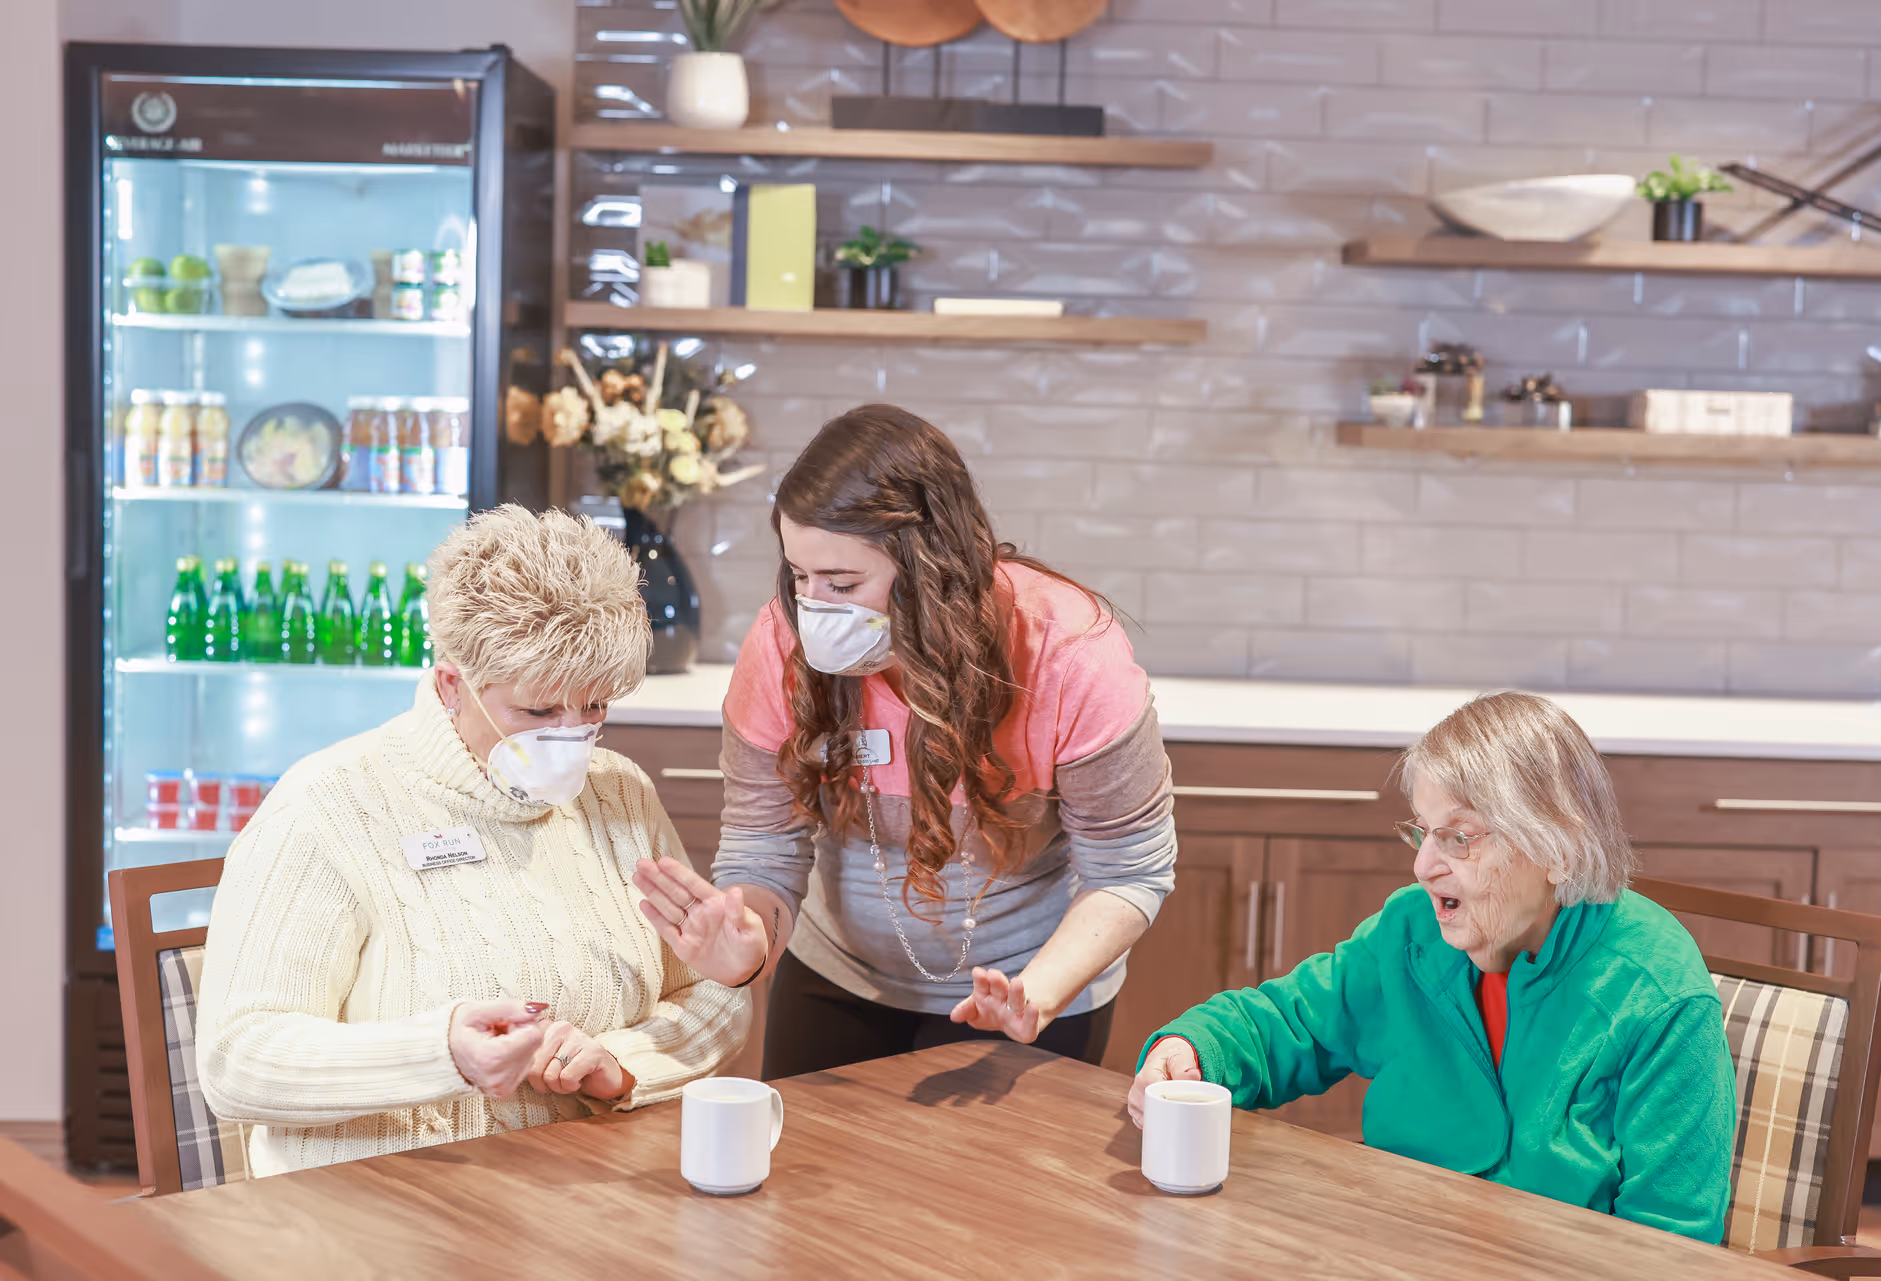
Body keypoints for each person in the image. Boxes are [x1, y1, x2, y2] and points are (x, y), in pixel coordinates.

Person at [196, 506, 749, 1176]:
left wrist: (624, 1064)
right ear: (453, 684)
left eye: (595, 705)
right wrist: (441, 1054)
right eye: (539, 710)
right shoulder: (329, 806)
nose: (572, 733)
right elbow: (236, 1058)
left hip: (577, 1192)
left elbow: (711, 997)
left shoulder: (620, 794)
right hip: (373, 1207)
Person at [632, 404, 1177, 1076]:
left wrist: (1035, 993)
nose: (813, 608)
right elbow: (764, 848)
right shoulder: (781, 644)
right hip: (840, 977)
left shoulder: (1069, 653)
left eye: (843, 583)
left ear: (932, 565)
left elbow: (1129, 869)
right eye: (800, 578)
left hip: (1033, 991)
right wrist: (745, 944)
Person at [1130, 691, 1736, 1243]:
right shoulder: (1412, 930)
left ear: (1557, 847)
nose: (1423, 867)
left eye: (1458, 838)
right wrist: (1193, 1048)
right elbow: (1291, 1022)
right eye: (1422, 833)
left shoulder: (1660, 999)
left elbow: (1673, 1246)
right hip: (1393, 1241)